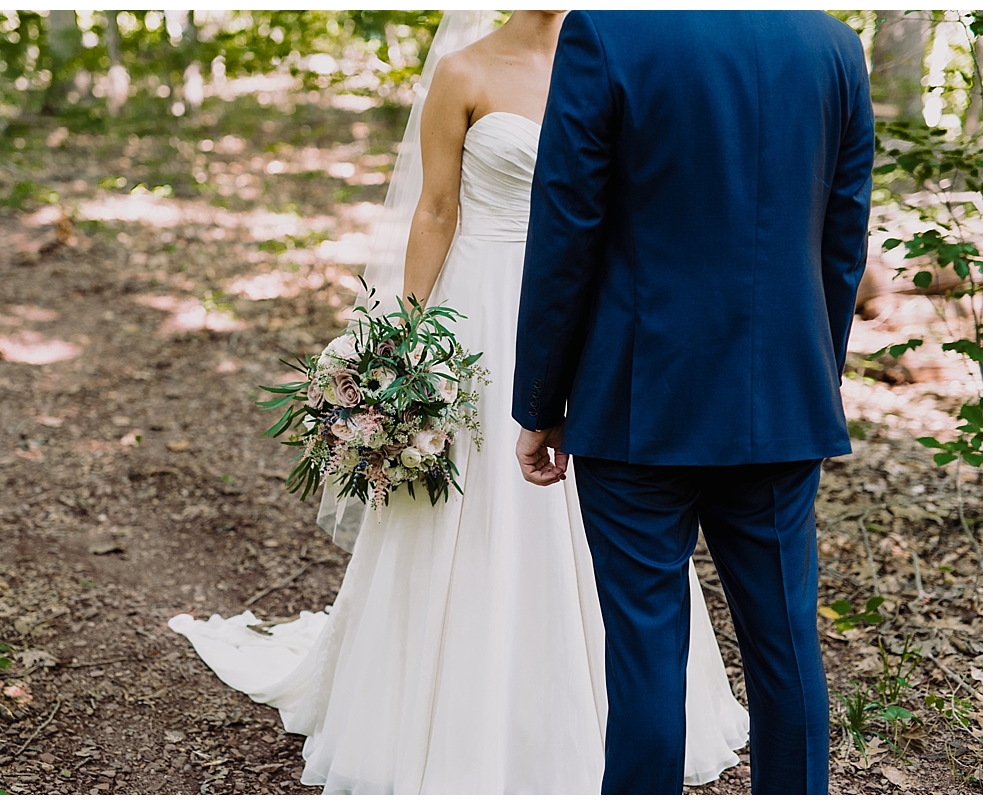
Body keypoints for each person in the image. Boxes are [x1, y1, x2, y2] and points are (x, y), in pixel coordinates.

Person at [170, 11, 748, 793]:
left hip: (595, 311)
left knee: (613, 507)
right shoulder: (465, 71)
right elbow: (436, 209)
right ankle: (449, 716)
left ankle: (620, 719)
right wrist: (401, 341)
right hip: (483, 310)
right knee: (476, 508)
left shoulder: (626, 60)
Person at [513, 11, 874, 795]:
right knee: (785, 644)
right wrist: (813, 372)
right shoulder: (831, 44)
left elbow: (567, 224)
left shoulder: (607, 34)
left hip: (639, 403)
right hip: (780, 400)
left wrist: (540, 399)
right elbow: (844, 237)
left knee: (644, 650)